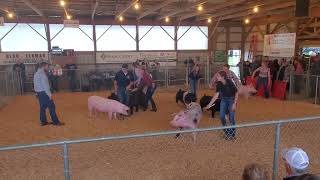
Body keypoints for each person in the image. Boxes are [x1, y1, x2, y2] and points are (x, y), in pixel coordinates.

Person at [205, 71, 238, 140]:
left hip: (231, 100)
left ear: (222, 77)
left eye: (218, 76)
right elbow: (216, 95)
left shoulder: (230, 82)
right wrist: (209, 105)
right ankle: (227, 132)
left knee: (231, 118)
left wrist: (234, 104)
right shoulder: (219, 84)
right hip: (223, 100)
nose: (216, 77)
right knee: (222, 116)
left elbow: (236, 92)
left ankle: (232, 134)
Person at [33, 62, 63, 126]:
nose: (47, 67)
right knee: (52, 107)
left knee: (42, 108)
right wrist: (49, 95)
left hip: (39, 93)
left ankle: (43, 122)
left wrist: (36, 93)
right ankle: (56, 122)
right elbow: (45, 86)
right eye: (47, 66)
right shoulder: (42, 74)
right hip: (44, 93)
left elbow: (35, 85)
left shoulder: (36, 74)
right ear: (43, 66)